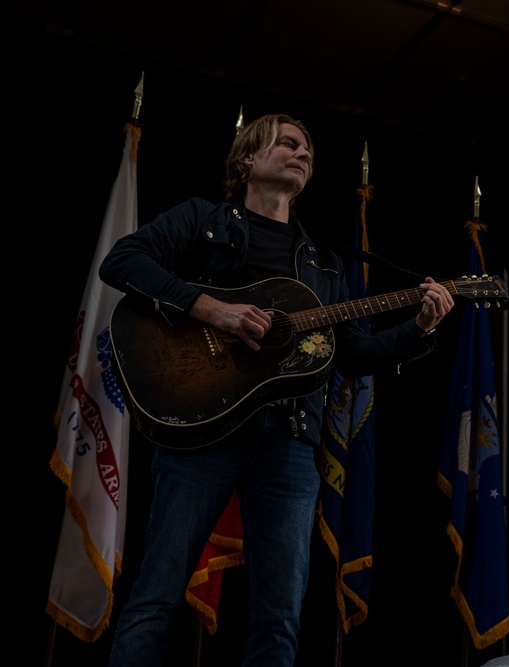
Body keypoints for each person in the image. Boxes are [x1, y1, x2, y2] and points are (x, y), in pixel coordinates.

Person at [100, 113, 454, 666]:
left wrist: (418, 329)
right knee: (157, 596)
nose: (302, 153)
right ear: (247, 159)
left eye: (308, 149)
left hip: (290, 440)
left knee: (279, 617)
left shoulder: (325, 263)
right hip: (204, 432)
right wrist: (213, 309)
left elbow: (353, 354)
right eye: (288, 143)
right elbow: (121, 261)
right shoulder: (205, 219)